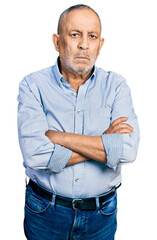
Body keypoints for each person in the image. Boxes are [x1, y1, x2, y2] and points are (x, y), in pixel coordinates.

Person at [17, 4, 140, 240]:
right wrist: (104, 141)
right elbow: (36, 155)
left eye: (92, 36)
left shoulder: (116, 86)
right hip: (45, 211)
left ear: (100, 44)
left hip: (101, 214)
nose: (84, 44)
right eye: (75, 35)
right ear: (57, 41)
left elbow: (127, 151)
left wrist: (59, 137)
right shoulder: (33, 85)